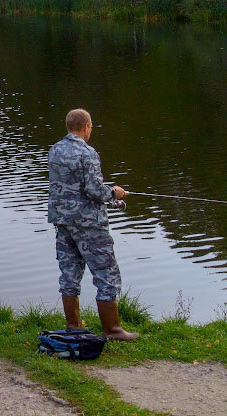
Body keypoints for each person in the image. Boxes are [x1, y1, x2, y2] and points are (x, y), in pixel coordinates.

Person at [47, 108, 138, 341]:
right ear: (86, 127)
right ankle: (113, 329)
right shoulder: (88, 153)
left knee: (69, 273)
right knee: (107, 273)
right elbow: (95, 191)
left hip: (62, 222)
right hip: (89, 224)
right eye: (91, 128)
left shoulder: (55, 150)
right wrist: (115, 193)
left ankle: (74, 326)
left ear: (69, 127)